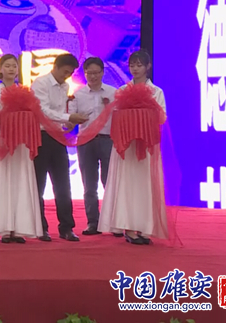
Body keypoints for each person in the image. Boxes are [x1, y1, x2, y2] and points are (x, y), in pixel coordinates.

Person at [98, 50, 168, 245]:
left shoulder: (156, 91)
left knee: (146, 185)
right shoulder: (122, 91)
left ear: (148, 67)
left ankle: (145, 227)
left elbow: (162, 117)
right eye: (132, 65)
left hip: (146, 146)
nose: (135, 69)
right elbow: (116, 116)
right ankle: (128, 227)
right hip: (126, 147)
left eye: (139, 65)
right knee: (127, 185)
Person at [0, 54, 43, 243]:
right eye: (7, 66)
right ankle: (5, 228)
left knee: (20, 181)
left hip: (21, 144)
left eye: (14, 66)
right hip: (3, 143)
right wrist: (0, 120)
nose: (11, 69)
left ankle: (20, 228)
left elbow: (35, 116)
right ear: (0, 69)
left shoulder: (25, 93)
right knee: (3, 182)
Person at [31, 54, 88, 242]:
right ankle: (41, 228)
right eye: (65, 72)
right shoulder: (40, 83)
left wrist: (68, 123)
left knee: (63, 184)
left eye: (70, 73)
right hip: (40, 136)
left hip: (57, 137)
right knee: (38, 184)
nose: (67, 76)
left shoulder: (65, 86)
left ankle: (66, 227)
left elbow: (60, 112)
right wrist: (68, 118)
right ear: (55, 67)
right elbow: (43, 111)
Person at [68, 57, 117, 236]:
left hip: (108, 140)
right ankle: (93, 223)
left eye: (97, 73)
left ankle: (113, 223)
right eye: (90, 73)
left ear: (103, 72)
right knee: (89, 185)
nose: (93, 76)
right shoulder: (78, 94)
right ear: (85, 74)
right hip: (85, 142)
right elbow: (70, 119)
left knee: (109, 183)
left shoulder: (114, 93)